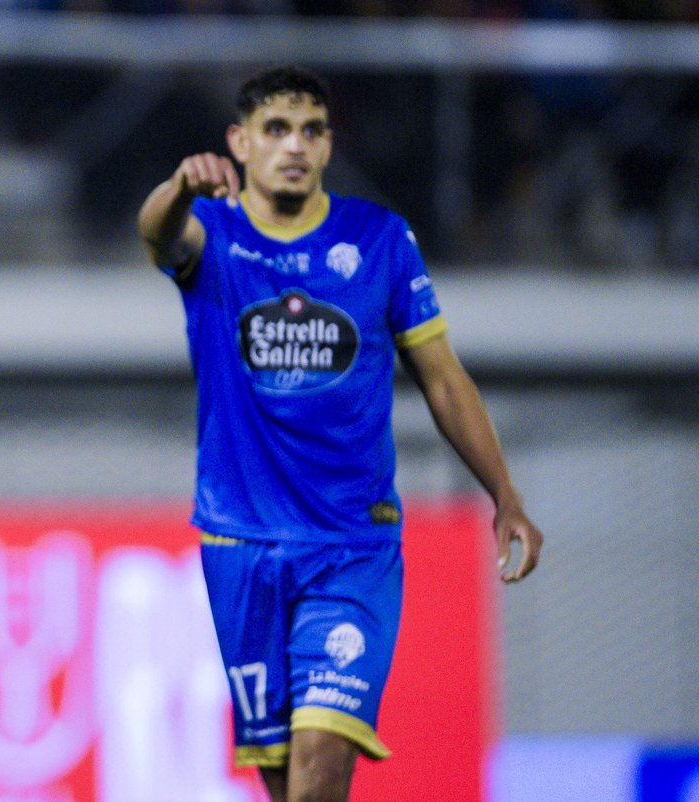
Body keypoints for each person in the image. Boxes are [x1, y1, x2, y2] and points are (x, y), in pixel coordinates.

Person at [137, 65, 543, 802]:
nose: (295, 145)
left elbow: (444, 379)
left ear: (328, 145)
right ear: (240, 142)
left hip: (353, 548)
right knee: (282, 775)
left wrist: (505, 493)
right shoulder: (216, 237)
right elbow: (157, 231)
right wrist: (179, 187)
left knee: (322, 756)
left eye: (312, 130)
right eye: (276, 129)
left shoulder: (379, 241)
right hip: (244, 546)